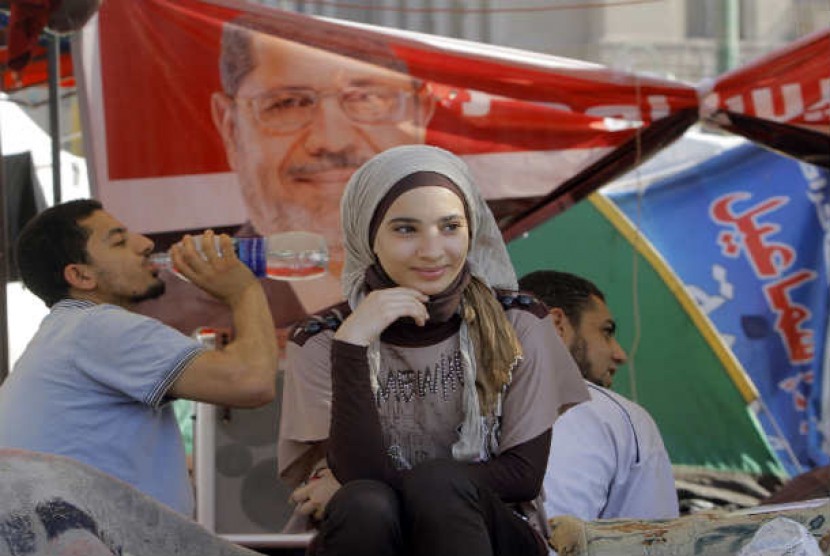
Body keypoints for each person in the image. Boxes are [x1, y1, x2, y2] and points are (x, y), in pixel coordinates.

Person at [277, 145, 588, 555]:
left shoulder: (518, 321)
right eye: (405, 229)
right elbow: (361, 478)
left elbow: (523, 475)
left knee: (436, 486)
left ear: (471, 230)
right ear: (368, 236)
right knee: (363, 503)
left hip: (492, 536)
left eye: (450, 227)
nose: (432, 250)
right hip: (372, 532)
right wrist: (352, 347)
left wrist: (416, 481)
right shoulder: (323, 338)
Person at [135, 16, 435, 336]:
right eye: (288, 103)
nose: (332, 141)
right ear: (231, 128)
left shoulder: (475, 285)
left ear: (420, 113)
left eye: (368, 98)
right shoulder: (160, 320)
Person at [0, 199, 278, 517]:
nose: (145, 244)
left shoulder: (70, 331)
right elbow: (251, 382)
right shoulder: (97, 326)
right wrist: (243, 291)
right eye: (119, 242)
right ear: (81, 276)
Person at [517, 269, 678, 522]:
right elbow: (656, 542)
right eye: (607, 331)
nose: (620, 354)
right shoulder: (612, 414)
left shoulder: (453, 398)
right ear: (555, 324)